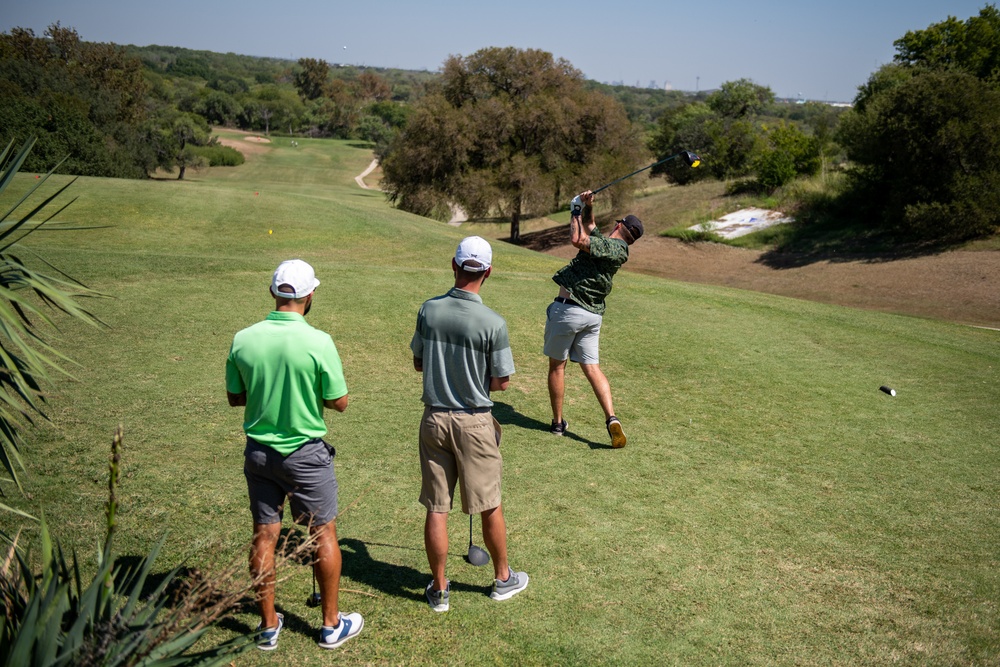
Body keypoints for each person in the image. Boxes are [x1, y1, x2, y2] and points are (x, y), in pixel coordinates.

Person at [226, 259, 364, 651]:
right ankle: (331, 625)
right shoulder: (319, 341)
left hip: (259, 455)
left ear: (273, 292)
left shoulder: (243, 338)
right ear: (309, 295)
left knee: (264, 536)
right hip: (305, 455)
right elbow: (339, 402)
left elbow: (235, 397)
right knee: (323, 534)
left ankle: (268, 626)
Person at [411, 236, 529, 612]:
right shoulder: (494, 322)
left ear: (454, 265)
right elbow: (502, 381)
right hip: (475, 424)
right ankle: (503, 578)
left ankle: (440, 589)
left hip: (434, 420)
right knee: (489, 504)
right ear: (489, 272)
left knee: (437, 506)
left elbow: (419, 362)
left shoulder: (428, 311)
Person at [543, 190, 644, 448]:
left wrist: (573, 210)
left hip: (569, 309)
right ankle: (612, 418)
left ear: (619, 225)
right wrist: (587, 206)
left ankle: (557, 423)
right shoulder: (614, 247)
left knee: (558, 366)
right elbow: (590, 227)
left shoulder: (612, 247)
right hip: (592, 316)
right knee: (592, 368)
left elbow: (578, 238)